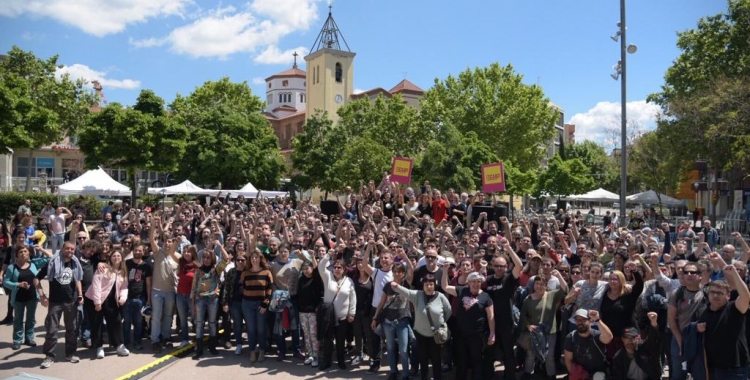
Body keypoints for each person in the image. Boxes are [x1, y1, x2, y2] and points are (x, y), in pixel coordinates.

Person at [697, 252, 750, 379]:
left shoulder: (734, 308)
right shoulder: (703, 311)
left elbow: (745, 296)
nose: (715, 296)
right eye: (713, 292)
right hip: (711, 368)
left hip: (735, 368)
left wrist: (734, 273)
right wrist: (697, 328)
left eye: (720, 293)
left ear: (728, 296)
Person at [34, 242, 85, 369]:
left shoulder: (75, 263)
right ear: (62, 249)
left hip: (71, 302)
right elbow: (36, 279)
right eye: (67, 248)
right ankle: (49, 356)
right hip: (55, 302)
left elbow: (78, 279)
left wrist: (80, 294)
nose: (70, 251)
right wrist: (42, 295)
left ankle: (70, 353)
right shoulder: (52, 263)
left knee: (72, 330)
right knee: (52, 330)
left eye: (72, 249)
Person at [392, 273, 451, 380]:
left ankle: (437, 377)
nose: (429, 287)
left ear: (435, 285)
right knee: (423, 359)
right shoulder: (417, 295)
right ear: (423, 285)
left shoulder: (441, 297)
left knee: (436, 360)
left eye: (431, 284)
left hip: (436, 335)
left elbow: (448, 312)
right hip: (421, 334)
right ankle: (424, 377)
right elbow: (407, 292)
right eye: (426, 284)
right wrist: (396, 286)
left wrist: (440, 323)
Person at [442, 269, 495, 380]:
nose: (476, 284)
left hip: (477, 335)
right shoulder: (462, 290)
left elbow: (491, 317)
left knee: (477, 359)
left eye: (478, 282)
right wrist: (444, 271)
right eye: (473, 281)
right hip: (461, 334)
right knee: (461, 359)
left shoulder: (486, 297)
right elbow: (445, 287)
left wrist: (492, 334)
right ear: (469, 282)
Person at [518, 270, 569, 380]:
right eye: (537, 283)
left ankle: (551, 375)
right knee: (530, 354)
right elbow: (523, 315)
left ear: (546, 285)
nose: (539, 286)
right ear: (534, 285)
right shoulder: (528, 298)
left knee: (549, 356)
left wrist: (559, 276)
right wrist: (528, 326)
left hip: (550, 331)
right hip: (534, 332)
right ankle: (528, 373)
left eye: (542, 284)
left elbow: (565, 290)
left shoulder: (552, 295)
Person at [3, 244, 53, 349]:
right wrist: (17, 284)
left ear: (29, 253)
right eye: (20, 252)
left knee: (31, 319)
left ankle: (29, 338)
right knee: (18, 319)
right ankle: (17, 340)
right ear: (16, 255)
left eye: (25, 251)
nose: (23, 254)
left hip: (32, 297)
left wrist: (42, 249)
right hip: (18, 298)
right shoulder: (12, 267)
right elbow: (6, 282)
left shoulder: (34, 263)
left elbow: (51, 257)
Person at [85, 250, 130, 359]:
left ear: (122, 258)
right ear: (110, 258)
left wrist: (123, 298)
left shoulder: (123, 271)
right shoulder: (102, 269)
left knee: (116, 321)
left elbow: (124, 287)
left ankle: (119, 345)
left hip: (111, 300)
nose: (116, 257)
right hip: (95, 299)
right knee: (97, 323)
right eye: (114, 256)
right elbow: (96, 285)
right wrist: (97, 302)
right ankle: (99, 347)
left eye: (118, 256)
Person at [372, 261, 412, 380]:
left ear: (403, 273)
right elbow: (382, 302)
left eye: (399, 271)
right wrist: (375, 317)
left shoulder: (407, 284)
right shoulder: (388, 285)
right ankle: (393, 372)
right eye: (394, 271)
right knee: (390, 348)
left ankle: (405, 374)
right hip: (388, 322)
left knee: (404, 350)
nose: (396, 273)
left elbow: (411, 270)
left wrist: (405, 257)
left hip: (402, 321)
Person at [318, 252, 356, 371]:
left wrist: (352, 313)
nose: (336, 269)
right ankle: (327, 361)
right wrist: (328, 255)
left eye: (339, 267)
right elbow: (320, 266)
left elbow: (353, 298)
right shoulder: (327, 277)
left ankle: (340, 360)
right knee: (328, 341)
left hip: (342, 317)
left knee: (340, 341)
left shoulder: (349, 281)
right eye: (335, 267)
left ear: (344, 269)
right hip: (329, 317)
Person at [148, 216, 180, 353]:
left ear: (174, 243)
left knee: (168, 316)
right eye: (166, 242)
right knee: (156, 316)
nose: (168, 244)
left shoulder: (177, 256)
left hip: (170, 291)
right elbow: (151, 239)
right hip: (157, 291)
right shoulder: (158, 252)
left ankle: (166, 337)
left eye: (170, 242)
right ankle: (155, 340)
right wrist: (155, 224)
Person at [190, 247, 226, 359]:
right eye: (204, 257)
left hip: (212, 299)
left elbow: (226, 259)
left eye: (208, 257)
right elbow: (194, 286)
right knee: (199, 323)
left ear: (212, 258)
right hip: (200, 299)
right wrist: (192, 300)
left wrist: (219, 246)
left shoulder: (216, 270)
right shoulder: (198, 270)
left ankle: (212, 346)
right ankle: (199, 348)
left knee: (212, 323)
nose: (206, 259)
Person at [241, 248, 273, 363]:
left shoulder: (266, 272)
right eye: (252, 257)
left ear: (260, 259)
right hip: (247, 304)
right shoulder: (245, 273)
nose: (254, 259)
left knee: (261, 329)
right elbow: (241, 287)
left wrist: (265, 303)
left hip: (261, 304)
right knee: (251, 329)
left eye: (256, 257)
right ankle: (252, 351)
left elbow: (270, 288)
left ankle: (262, 350)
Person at [564, 309, 614, 380]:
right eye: (577, 320)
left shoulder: (596, 335)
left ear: (590, 320)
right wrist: (575, 374)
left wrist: (597, 320)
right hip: (580, 374)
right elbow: (568, 360)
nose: (580, 322)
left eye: (583, 319)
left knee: (599, 377)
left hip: (597, 373)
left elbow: (609, 337)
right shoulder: (571, 337)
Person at [611, 312, 664, 380]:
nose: (630, 341)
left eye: (632, 338)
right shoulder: (618, 357)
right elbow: (618, 377)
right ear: (623, 339)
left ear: (638, 338)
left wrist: (654, 323)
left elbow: (653, 339)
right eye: (627, 338)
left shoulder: (645, 348)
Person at [123, 242, 151, 350]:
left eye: (140, 250)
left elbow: (148, 283)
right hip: (127, 297)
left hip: (140, 298)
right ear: (132, 251)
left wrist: (148, 299)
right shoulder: (126, 263)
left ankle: (137, 342)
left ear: (143, 252)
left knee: (139, 323)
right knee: (126, 322)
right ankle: (126, 343)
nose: (137, 252)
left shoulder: (146, 266)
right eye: (136, 250)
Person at [221, 249, 249, 355]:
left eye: (243, 260)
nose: (240, 262)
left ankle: (252, 345)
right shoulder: (231, 272)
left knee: (249, 324)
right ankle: (238, 344)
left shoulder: (249, 271)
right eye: (238, 260)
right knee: (237, 324)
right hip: (235, 303)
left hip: (247, 302)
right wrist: (225, 303)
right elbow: (226, 288)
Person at [297, 258, 323, 366]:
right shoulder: (301, 280)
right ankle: (310, 355)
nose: (305, 271)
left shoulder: (317, 279)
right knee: (306, 334)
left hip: (313, 311)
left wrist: (317, 307)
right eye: (303, 269)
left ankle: (316, 356)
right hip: (302, 311)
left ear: (312, 268)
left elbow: (321, 295)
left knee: (313, 335)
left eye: (307, 268)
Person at [175, 246, 198, 348]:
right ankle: (185, 340)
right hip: (180, 295)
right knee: (183, 319)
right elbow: (171, 253)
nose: (186, 253)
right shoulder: (181, 263)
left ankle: (198, 340)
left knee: (196, 318)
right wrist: (176, 242)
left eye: (188, 252)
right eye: (184, 251)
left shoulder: (197, 264)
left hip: (192, 296)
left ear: (193, 253)